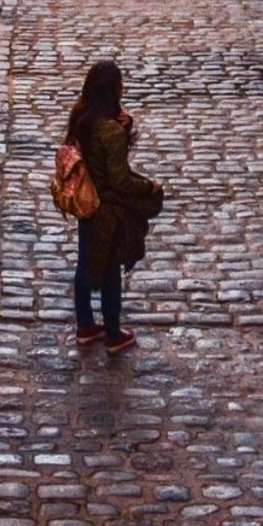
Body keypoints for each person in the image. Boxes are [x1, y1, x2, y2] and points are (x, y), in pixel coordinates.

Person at [67, 58, 163, 357]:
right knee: (110, 267)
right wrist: (150, 187)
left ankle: (85, 324)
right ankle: (112, 332)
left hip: (86, 200)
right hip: (108, 208)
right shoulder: (110, 130)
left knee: (84, 263)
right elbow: (120, 179)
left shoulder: (81, 115)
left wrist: (126, 125)